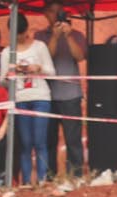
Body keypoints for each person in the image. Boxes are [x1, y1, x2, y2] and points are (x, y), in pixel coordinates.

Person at [1, 17, 54, 185]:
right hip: (20, 99)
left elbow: (52, 72)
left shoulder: (40, 46)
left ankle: (42, 180)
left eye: (21, 33)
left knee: (40, 142)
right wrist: (10, 73)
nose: (19, 37)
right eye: (15, 34)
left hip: (41, 97)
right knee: (26, 143)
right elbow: (2, 82)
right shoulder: (7, 52)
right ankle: (26, 182)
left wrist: (39, 68)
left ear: (26, 30)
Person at [41, 1, 86, 177]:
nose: (56, 15)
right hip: (47, 95)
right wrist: (54, 37)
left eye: (59, 11)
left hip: (70, 94)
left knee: (73, 140)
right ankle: (50, 177)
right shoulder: (40, 36)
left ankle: (75, 177)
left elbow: (80, 56)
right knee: (49, 140)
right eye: (52, 12)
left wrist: (68, 36)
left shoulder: (76, 34)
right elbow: (46, 58)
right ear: (45, 14)